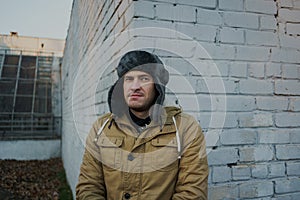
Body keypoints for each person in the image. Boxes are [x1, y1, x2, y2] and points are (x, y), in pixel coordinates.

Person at [76, 50, 208, 199]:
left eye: (144, 78)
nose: (135, 86)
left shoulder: (185, 128)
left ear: (157, 86)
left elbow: (193, 193)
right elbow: (88, 187)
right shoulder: (101, 128)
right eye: (129, 79)